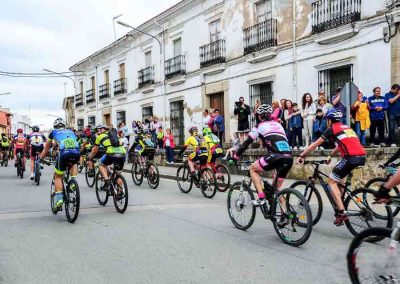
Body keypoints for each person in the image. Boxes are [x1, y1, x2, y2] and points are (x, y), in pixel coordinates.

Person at [297, 109, 366, 226]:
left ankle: (342, 211)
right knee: (340, 180)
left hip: (350, 158)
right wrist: (330, 155)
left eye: (327, 120)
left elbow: (315, 144)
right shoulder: (347, 128)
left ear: (329, 120)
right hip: (361, 157)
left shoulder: (332, 129)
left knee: (332, 181)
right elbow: (340, 145)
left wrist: (302, 154)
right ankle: (342, 204)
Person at [232, 104, 293, 206]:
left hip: (275, 156)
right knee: (277, 189)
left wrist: (235, 156)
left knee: (253, 169)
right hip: (288, 158)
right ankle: (285, 215)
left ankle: (261, 197)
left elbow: (246, 143)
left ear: (259, 116)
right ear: (270, 115)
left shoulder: (259, 126)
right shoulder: (279, 125)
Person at [39, 119, 80, 210]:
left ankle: (59, 199)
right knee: (73, 163)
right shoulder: (71, 131)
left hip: (64, 153)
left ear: (55, 126)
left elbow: (46, 148)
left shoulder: (53, 132)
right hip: (76, 152)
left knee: (58, 176)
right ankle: (73, 182)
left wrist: (41, 159)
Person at [88, 125, 126, 193]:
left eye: (99, 130)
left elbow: (95, 150)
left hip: (111, 153)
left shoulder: (99, 136)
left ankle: (107, 180)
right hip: (122, 154)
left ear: (102, 129)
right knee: (118, 173)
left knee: (101, 165)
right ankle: (120, 192)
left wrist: (90, 157)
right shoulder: (115, 135)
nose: (98, 132)